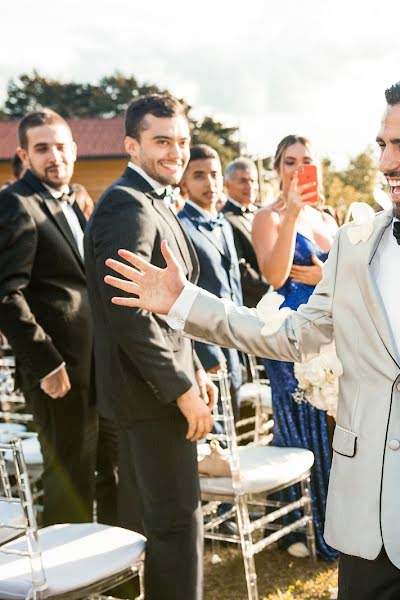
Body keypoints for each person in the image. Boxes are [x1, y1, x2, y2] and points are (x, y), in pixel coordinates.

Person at [102, 71, 400, 600]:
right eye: (382, 145)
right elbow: (295, 334)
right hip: (364, 523)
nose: (384, 164)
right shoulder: (353, 244)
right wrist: (184, 303)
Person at [83, 94, 215, 600]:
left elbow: (171, 306)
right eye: (162, 141)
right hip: (150, 396)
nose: (175, 152)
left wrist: (198, 364)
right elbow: (129, 314)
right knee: (177, 525)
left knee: (157, 523)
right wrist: (181, 388)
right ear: (131, 145)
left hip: (158, 388)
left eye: (181, 142)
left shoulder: (155, 199)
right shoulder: (126, 206)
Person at [0, 109, 97, 525]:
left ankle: (117, 580)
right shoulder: (16, 203)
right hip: (57, 371)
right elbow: (6, 293)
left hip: (97, 364)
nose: (54, 156)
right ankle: (68, 584)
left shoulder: (73, 201)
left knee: (105, 470)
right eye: (42, 149)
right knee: (69, 479)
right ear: (24, 154)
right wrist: (47, 363)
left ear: (74, 150)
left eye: (61, 147)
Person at [250, 134, 338, 559]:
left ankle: (339, 523)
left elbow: (344, 278)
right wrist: (291, 217)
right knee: (299, 422)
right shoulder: (267, 217)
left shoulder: (329, 219)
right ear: (277, 169)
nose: (297, 168)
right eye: (289, 161)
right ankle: (297, 527)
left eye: (306, 160)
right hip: (288, 334)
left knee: (336, 423)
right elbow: (275, 274)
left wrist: (326, 279)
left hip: (333, 333)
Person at [178, 145, 243, 412]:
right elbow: (184, 297)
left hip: (235, 341)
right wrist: (206, 354)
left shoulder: (225, 225)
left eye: (215, 175)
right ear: (184, 181)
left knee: (234, 422)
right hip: (207, 349)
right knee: (216, 434)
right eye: (199, 175)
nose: (210, 182)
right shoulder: (181, 226)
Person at [220, 158, 269, 308]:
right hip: (255, 302)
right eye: (243, 181)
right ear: (228, 185)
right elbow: (240, 269)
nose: (250, 186)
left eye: (253, 181)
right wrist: (273, 289)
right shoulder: (224, 219)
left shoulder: (265, 212)